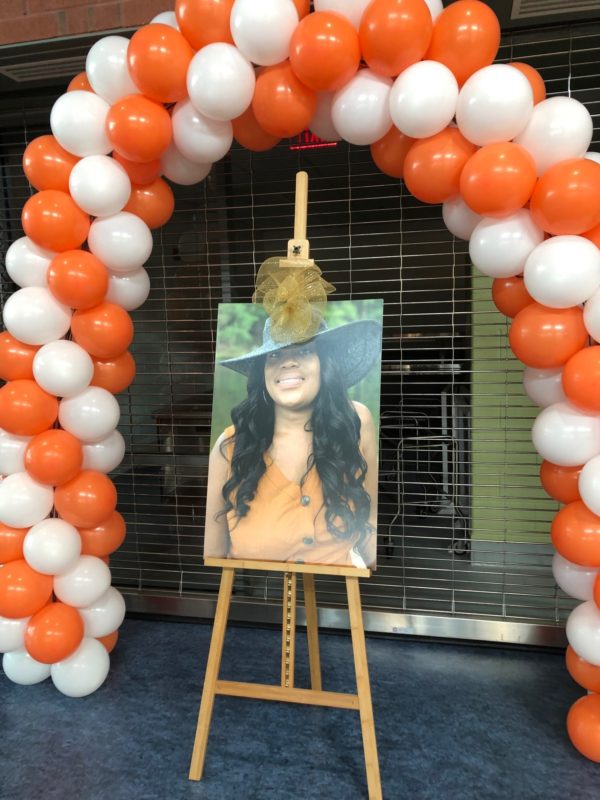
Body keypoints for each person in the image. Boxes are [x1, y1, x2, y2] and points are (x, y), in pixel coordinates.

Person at [204, 312, 382, 568]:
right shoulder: (230, 447)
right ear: (262, 372)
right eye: (274, 355)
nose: (287, 363)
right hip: (261, 599)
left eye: (303, 351)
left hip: (338, 595)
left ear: (324, 364)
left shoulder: (355, 422)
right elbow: (214, 555)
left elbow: (371, 519)